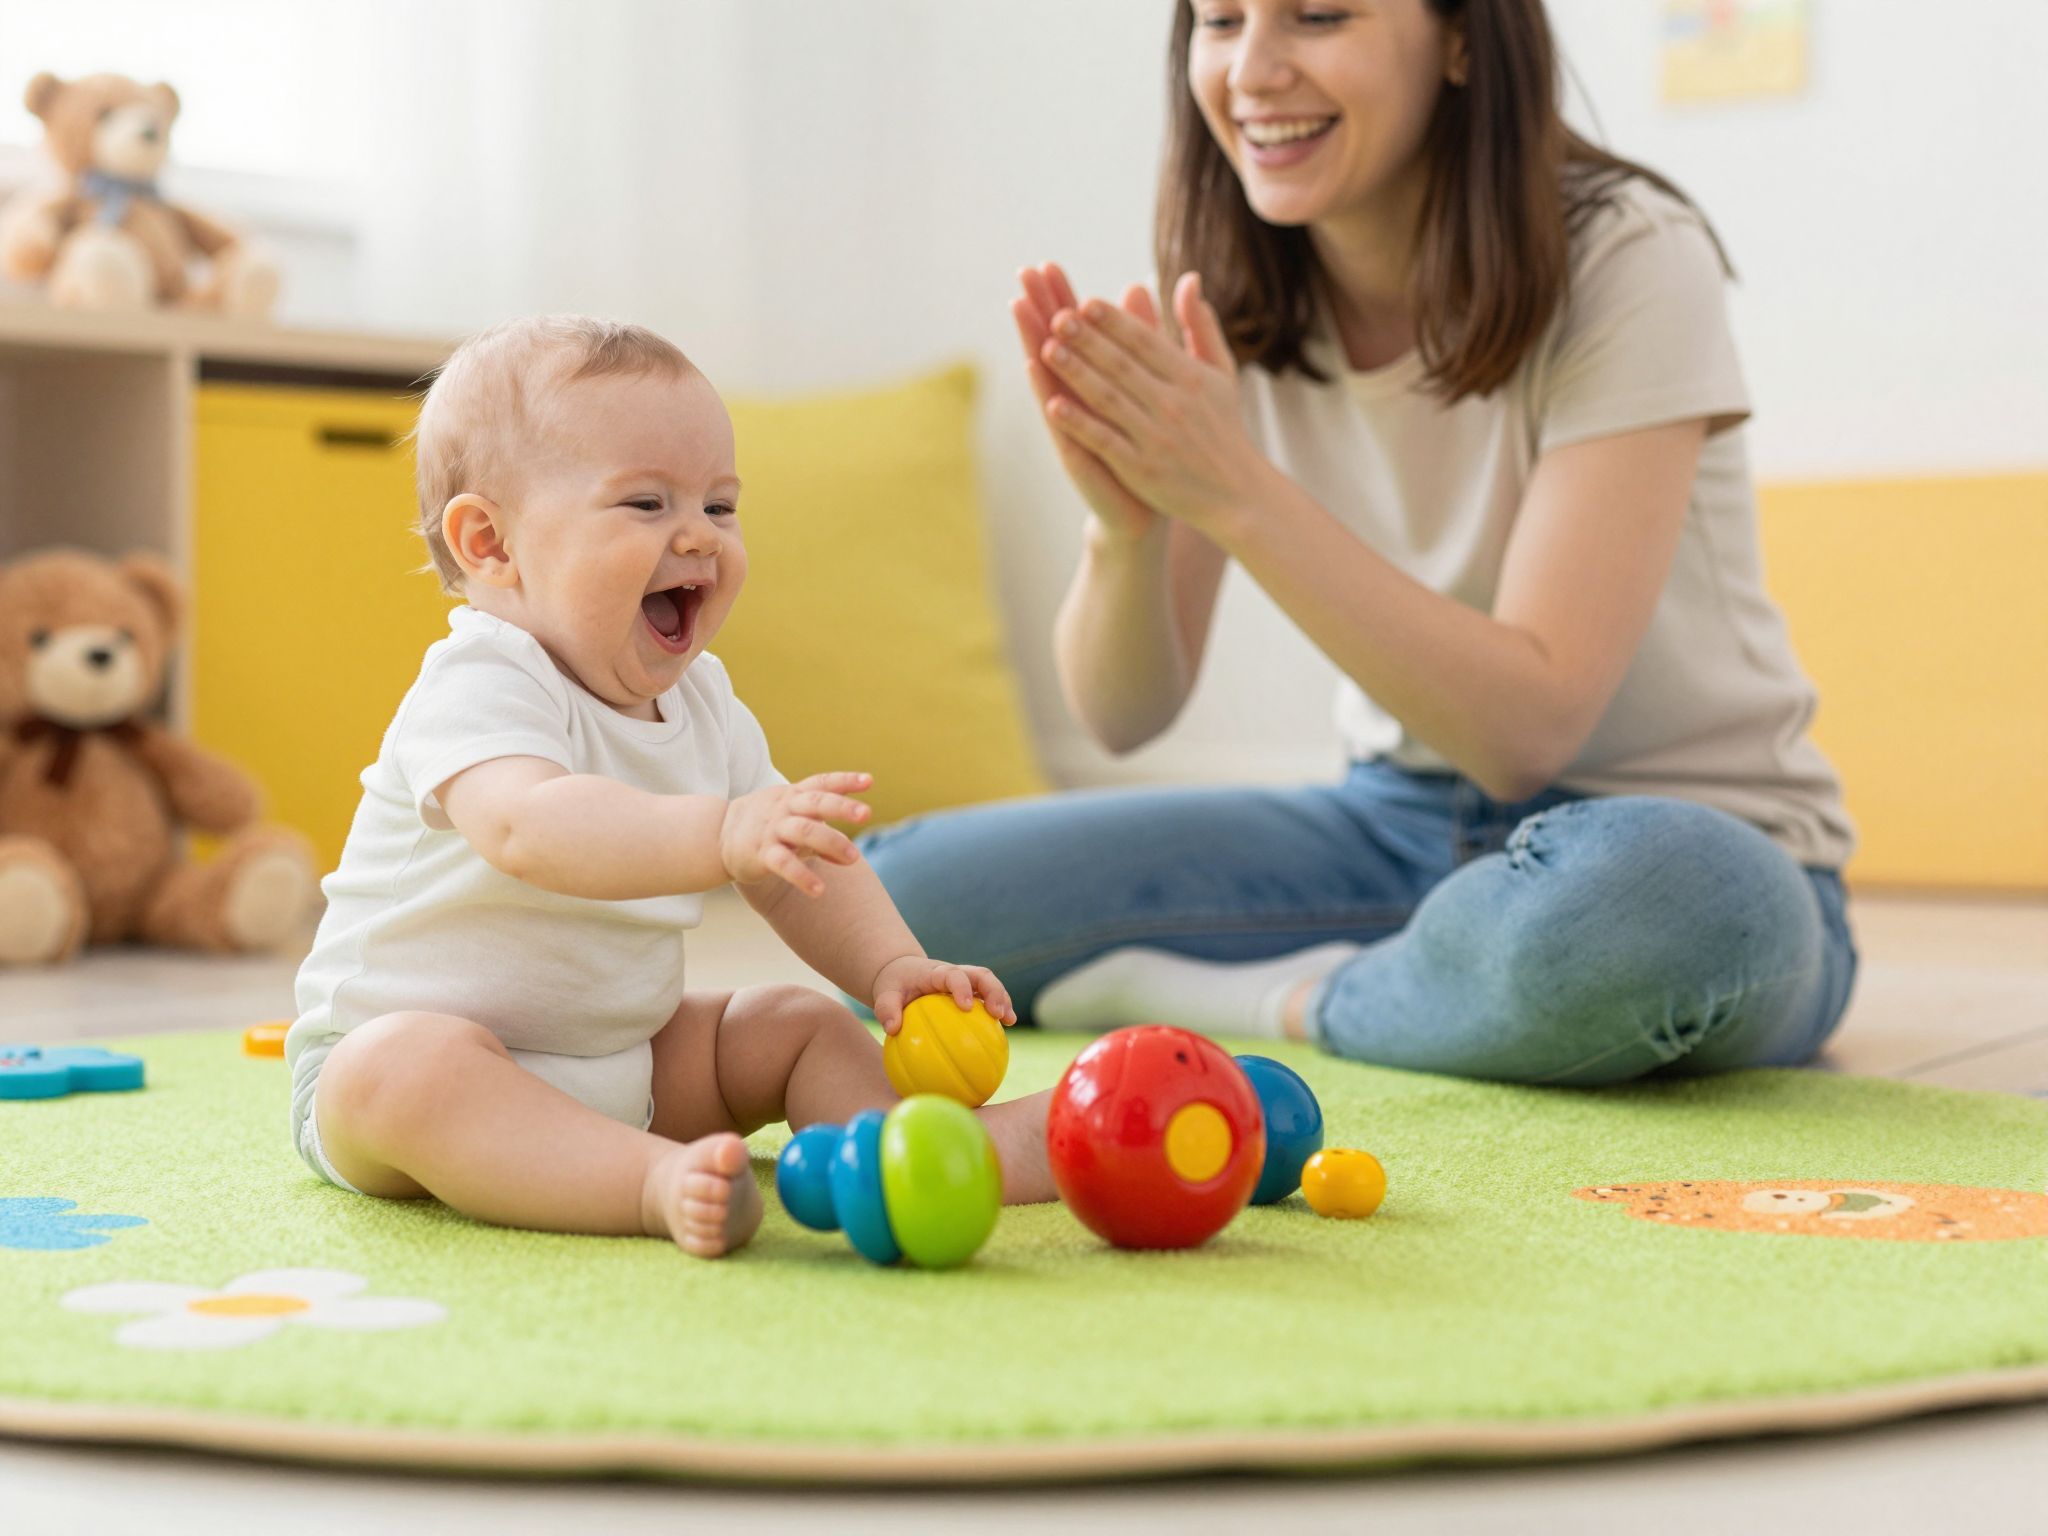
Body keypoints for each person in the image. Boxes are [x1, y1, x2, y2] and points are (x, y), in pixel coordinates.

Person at [861, 0, 1857, 1086]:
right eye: (1219, 19)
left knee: (1637, 916)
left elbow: (1526, 728)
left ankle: (1286, 1000)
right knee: (892, 907)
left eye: (1317, 15)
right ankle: (1440, 980)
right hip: (1395, 831)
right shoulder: (1240, 285)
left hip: (1690, 849)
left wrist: (1233, 487)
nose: (1250, 70)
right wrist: (1124, 531)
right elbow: (1124, 710)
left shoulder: (1628, 253)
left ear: (1465, 37)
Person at [287, 316, 1051, 1259]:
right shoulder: (481, 681)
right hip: (411, 1079)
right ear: (491, 543)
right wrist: (720, 834)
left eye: (720, 508)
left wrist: (890, 968)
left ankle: (924, 1152)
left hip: (628, 1062)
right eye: (646, 504)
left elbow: (791, 868)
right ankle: (648, 1183)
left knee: (796, 1023)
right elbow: (531, 828)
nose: (697, 536)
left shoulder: (705, 700)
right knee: (404, 1070)